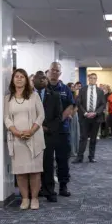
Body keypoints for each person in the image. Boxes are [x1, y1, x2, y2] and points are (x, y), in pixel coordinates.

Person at [5, 68, 45, 210]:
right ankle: (25, 199)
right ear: (13, 79)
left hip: (34, 137)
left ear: (27, 80)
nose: (19, 79)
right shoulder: (8, 98)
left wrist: (31, 130)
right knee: (20, 172)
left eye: (22, 76)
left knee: (34, 171)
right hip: (17, 139)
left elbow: (41, 115)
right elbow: (7, 118)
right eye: (17, 76)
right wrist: (16, 132)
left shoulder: (34, 96)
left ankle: (34, 199)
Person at [34, 71, 63, 203]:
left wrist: (47, 128)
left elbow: (58, 116)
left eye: (44, 78)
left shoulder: (55, 96)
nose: (41, 80)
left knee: (48, 163)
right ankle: (35, 190)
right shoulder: (28, 96)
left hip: (48, 134)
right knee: (32, 164)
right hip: (31, 133)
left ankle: (49, 191)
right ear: (33, 80)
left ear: (47, 80)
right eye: (38, 77)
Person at [46, 62, 74, 197]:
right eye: (52, 70)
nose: (54, 73)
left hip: (62, 130)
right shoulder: (42, 88)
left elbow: (70, 107)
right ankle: (48, 188)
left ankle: (63, 186)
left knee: (62, 159)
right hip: (46, 131)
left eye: (57, 71)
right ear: (48, 71)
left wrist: (58, 121)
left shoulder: (65, 89)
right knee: (47, 161)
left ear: (60, 73)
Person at [74, 73, 106, 163]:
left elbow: (103, 104)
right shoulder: (82, 90)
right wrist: (85, 113)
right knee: (83, 137)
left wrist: (95, 113)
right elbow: (79, 103)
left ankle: (91, 157)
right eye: (91, 78)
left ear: (96, 80)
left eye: (94, 78)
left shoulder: (100, 91)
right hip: (84, 117)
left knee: (93, 138)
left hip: (96, 118)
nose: (92, 80)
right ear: (88, 79)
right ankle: (79, 157)